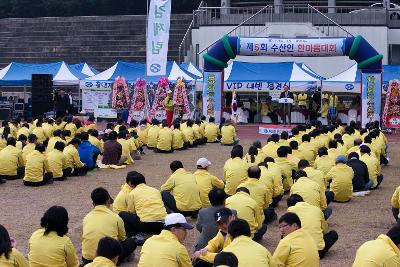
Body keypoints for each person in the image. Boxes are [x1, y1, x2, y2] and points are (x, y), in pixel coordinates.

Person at [82, 187, 136, 265]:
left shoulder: (86, 217)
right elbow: (122, 238)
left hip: (87, 259)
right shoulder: (116, 217)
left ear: (93, 204)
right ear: (108, 201)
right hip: (108, 260)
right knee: (131, 242)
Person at [123, 171, 167, 236]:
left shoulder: (132, 193)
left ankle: (135, 235)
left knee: (123, 214)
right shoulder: (155, 190)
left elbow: (131, 212)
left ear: (132, 185)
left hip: (146, 226)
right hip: (163, 225)